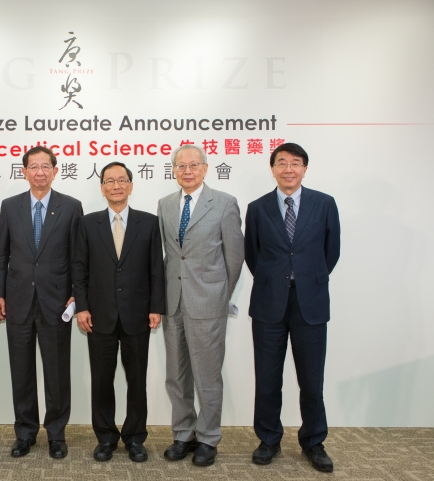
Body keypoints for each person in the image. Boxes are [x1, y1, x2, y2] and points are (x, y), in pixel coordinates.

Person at [244, 142, 340, 472]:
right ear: (272, 168)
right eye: (282, 162)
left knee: (312, 381)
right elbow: (252, 255)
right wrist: (278, 279)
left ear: (304, 168)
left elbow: (331, 252)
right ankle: (268, 439)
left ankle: (314, 441)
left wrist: (303, 277)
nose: (289, 169)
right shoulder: (257, 208)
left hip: (309, 304)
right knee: (267, 379)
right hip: (269, 304)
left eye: (295, 163)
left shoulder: (324, 204)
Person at [0, 146, 83, 459]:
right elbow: (1, 254)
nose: (40, 172)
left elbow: (77, 257)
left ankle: (56, 434)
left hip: (56, 302)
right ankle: (25, 433)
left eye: (46, 166)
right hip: (17, 300)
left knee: (57, 372)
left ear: (55, 171)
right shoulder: (10, 206)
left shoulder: (71, 207)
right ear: (24, 171)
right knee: (21, 371)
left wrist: (76, 294)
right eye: (34, 166)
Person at [157, 144, 244, 466]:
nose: (188, 171)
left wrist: (221, 295)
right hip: (173, 302)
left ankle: (208, 437)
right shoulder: (165, 205)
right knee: (176, 376)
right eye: (181, 166)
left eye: (194, 165)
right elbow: (168, 255)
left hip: (208, 302)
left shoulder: (224, 203)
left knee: (207, 375)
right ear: (174, 171)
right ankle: (183, 434)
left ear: (206, 168)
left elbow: (234, 257)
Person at [73, 162, 165, 463]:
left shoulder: (149, 223)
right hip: (98, 315)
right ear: (102, 188)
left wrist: (156, 307)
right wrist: (82, 307)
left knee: (137, 380)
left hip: (138, 314)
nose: (116, 185)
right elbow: (80, 270)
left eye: (121, 180)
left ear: (130, 185)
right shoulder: (88, 224)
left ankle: (136, 438)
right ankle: (106, 438)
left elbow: (156, 269)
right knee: (101, 380)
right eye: (109, 181)